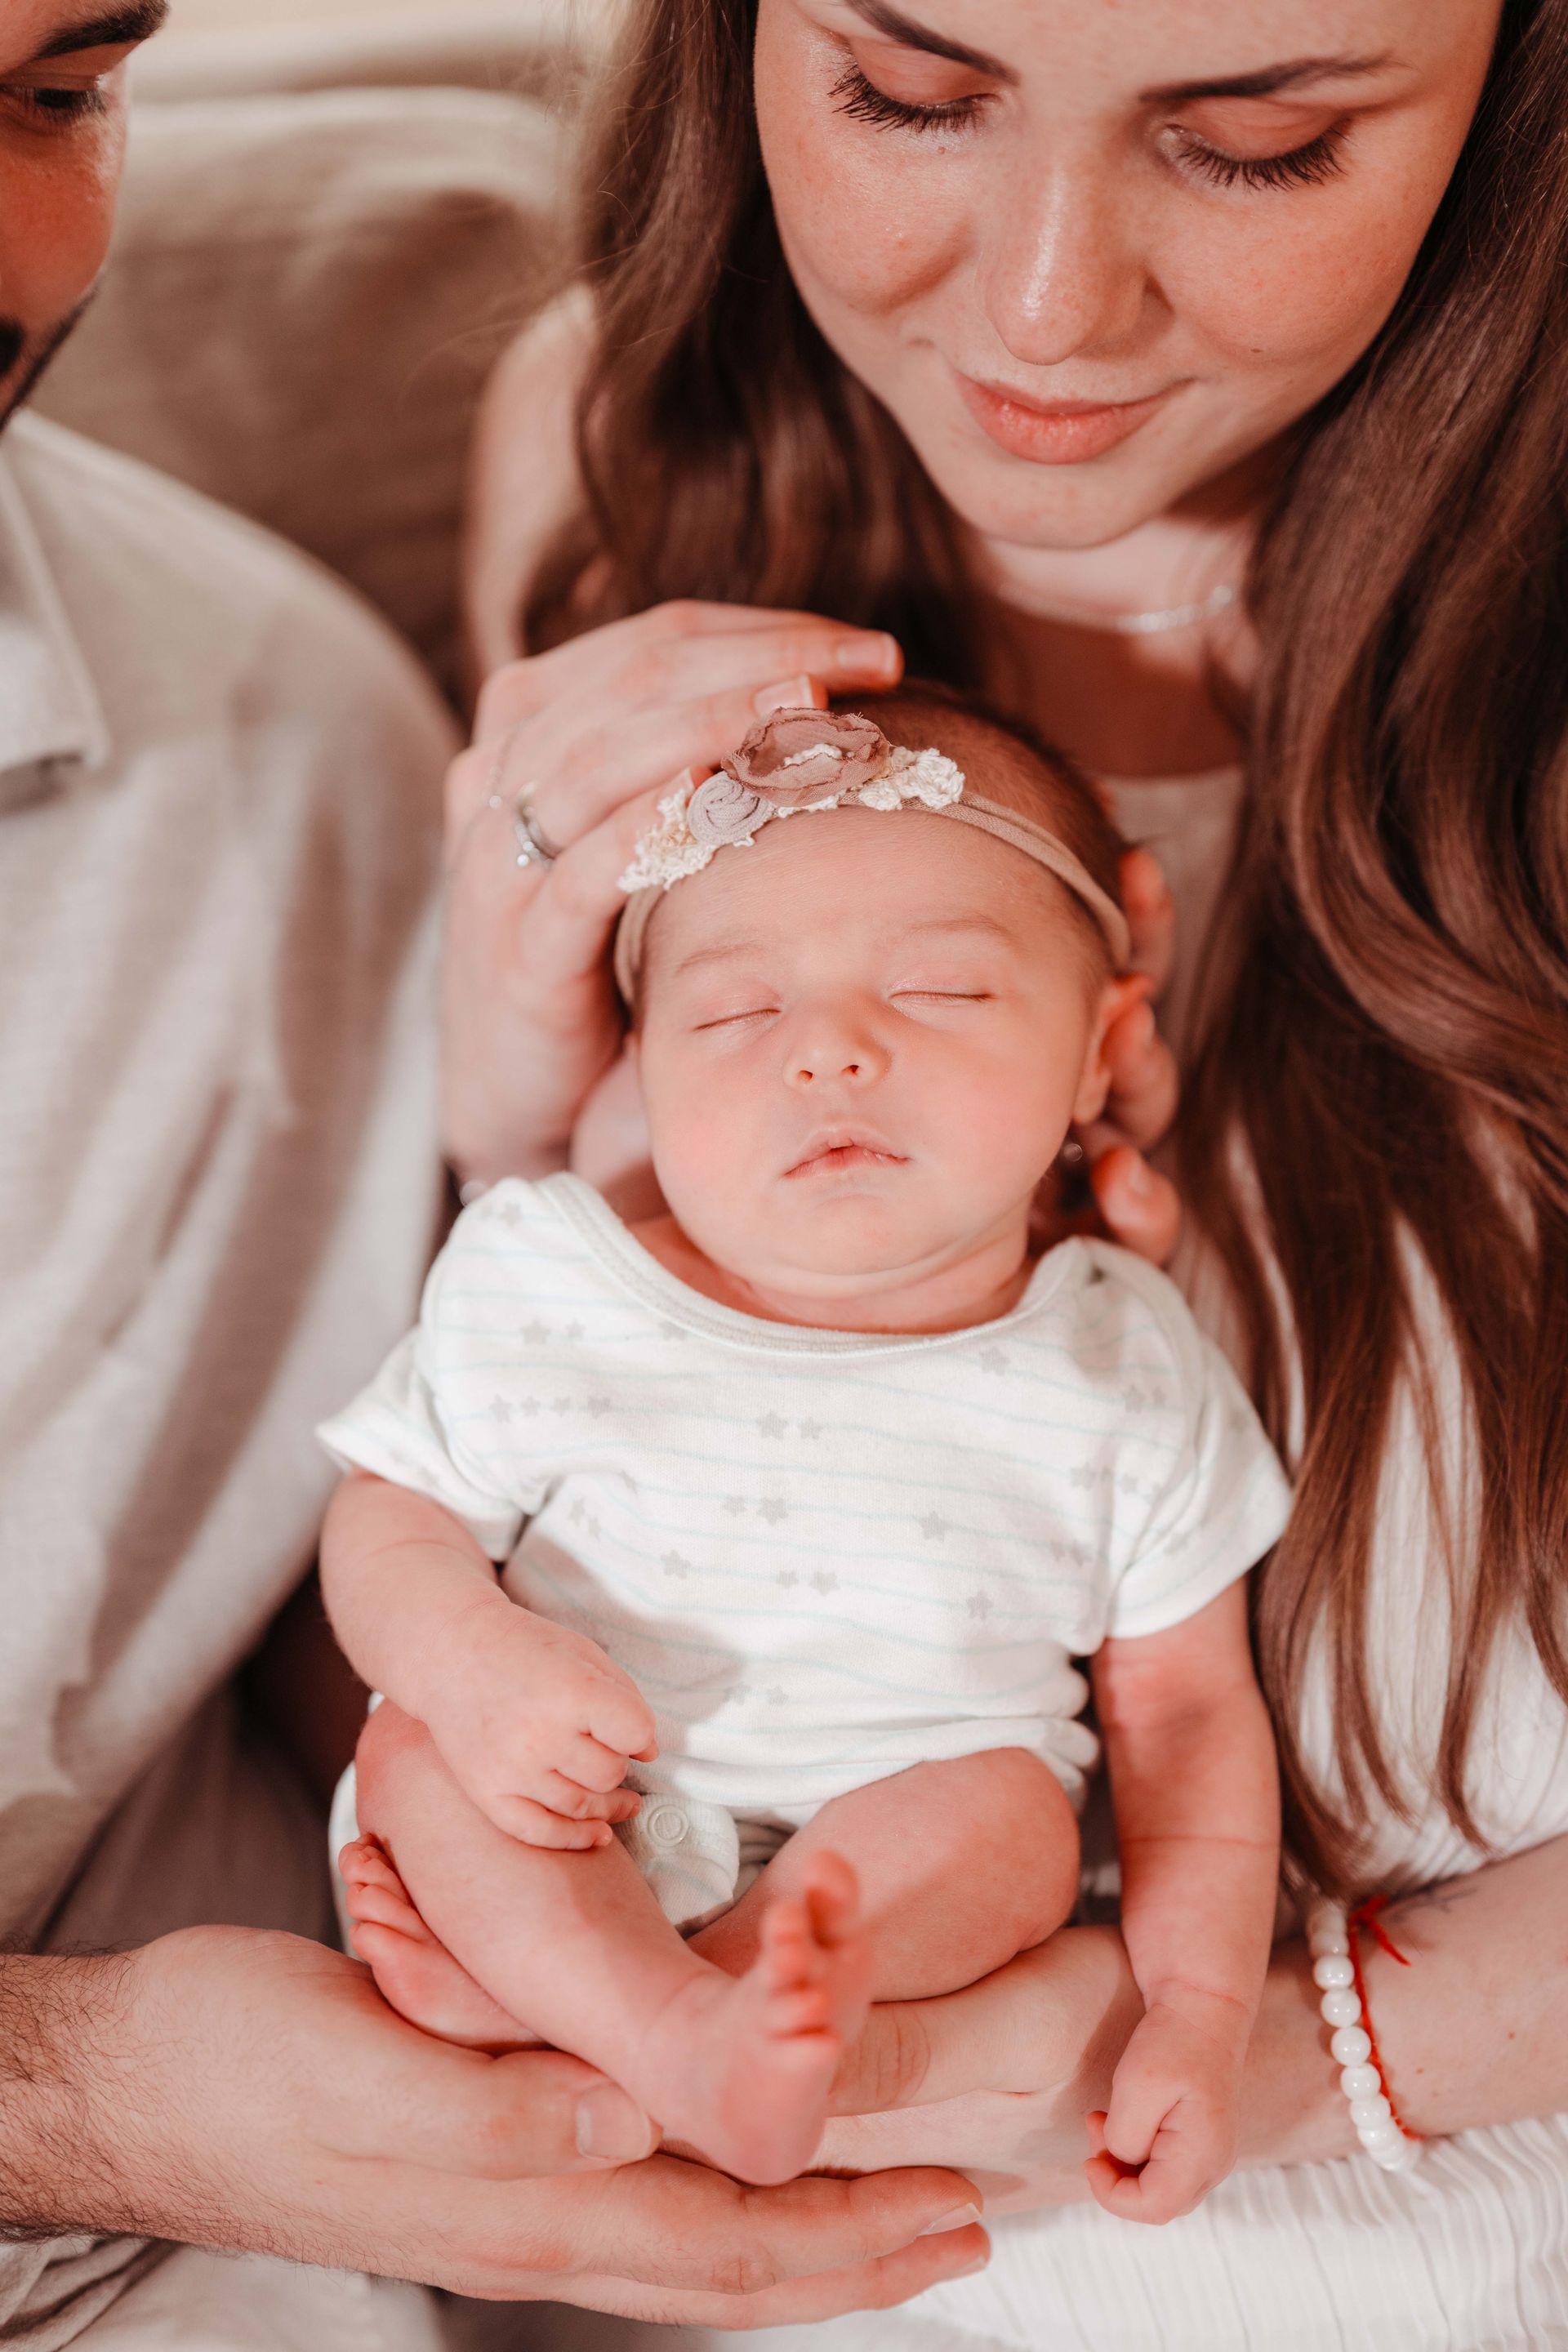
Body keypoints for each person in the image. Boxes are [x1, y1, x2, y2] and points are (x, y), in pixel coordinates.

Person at [444, 0, 1568, 2341]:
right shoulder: (617, 444)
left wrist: (1274, 2059)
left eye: (1259, 143)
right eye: (911, 96)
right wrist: (516, 1120)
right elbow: (456, 1535)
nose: (1045, 308)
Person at [0, 3, 991, 2344]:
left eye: (47, 96)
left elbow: (370, 1637)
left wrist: (574, 1176)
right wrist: (75, 2094)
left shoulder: (296, 768)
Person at [318, 692, 1287, 2210]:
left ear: (1100, 1054)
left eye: (944, 992)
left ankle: (646, 2018)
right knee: (419, 1749)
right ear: (641, 1074)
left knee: (1017, 1823)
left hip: (880, 1888)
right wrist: (471, 1665)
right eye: (735, 1014)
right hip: (575, 1798)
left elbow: (1185, 1727)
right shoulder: (559, 1280)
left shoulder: (1123, 1363)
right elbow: (385, 1521)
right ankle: (649, 2016)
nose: (830, 1052)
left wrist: (1204, 2019)